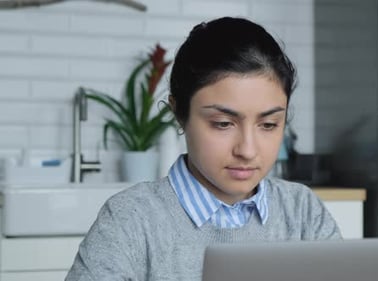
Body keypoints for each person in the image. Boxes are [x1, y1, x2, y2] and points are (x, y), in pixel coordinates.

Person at [65, 16, 342, 281]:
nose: (247, 150)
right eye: (223, 123)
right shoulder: (131, 218)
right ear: (179, 113)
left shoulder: (302, 212)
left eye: (268, 124)